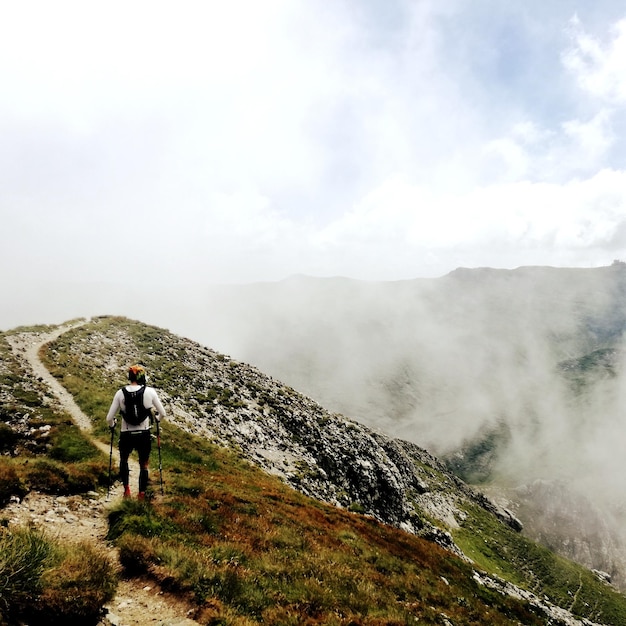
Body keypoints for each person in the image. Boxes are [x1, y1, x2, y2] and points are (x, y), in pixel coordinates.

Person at [106, 364, 166, 499]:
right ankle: (141, 493)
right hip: (143, 433)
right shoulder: (150, 392)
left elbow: (109, 417)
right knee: (144, 464)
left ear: (130, 376)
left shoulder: (120, 393)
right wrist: (157, 418)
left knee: (124, 460)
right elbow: (163, 413)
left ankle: (126, 490)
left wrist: (112, 424)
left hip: (126, 433)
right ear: (142, 376)